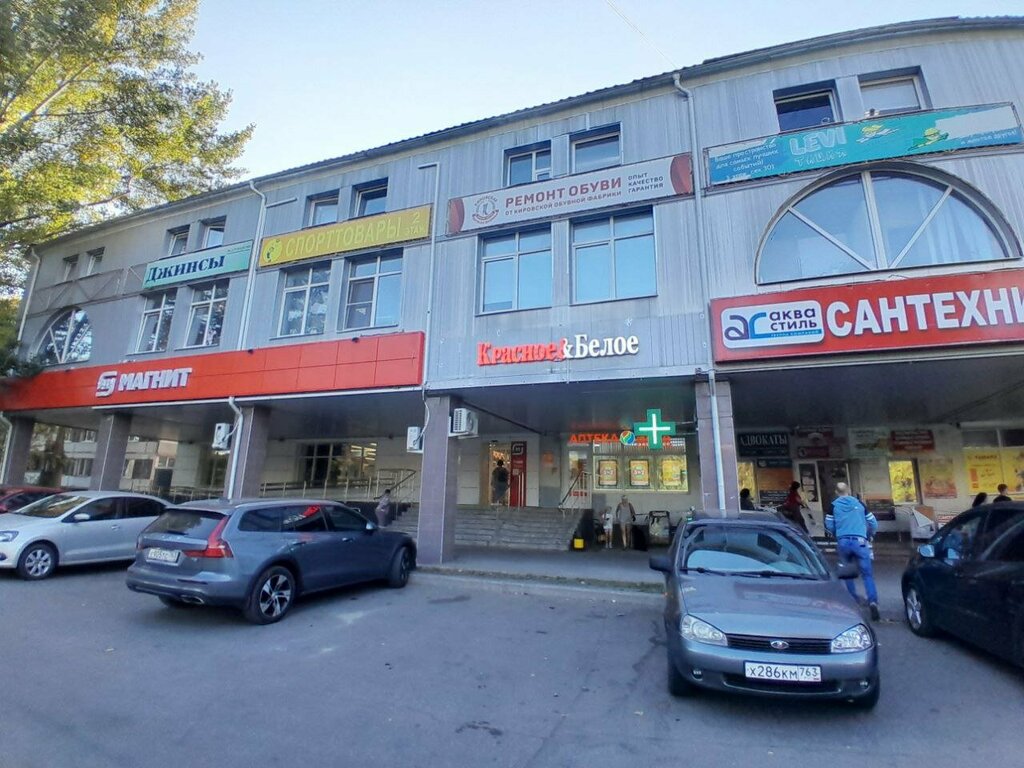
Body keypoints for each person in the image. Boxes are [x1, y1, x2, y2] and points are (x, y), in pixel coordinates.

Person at [826, 482, 880, 621]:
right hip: (860, 541)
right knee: (867, 574)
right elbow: (873, 522)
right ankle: (873, 601)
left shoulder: (833, 506)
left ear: (836, 492)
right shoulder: (860, 504)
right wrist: (869, 534)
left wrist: (837, 533)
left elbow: (829, 524)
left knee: (847, 573)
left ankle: (853, 600)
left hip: (843, 541)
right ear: (848, 490)